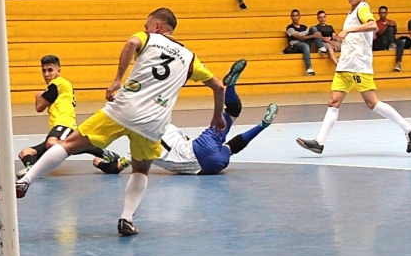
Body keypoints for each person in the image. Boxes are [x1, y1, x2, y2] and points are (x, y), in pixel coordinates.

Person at [0, 7, 226, 236]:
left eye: (147, 25)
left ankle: (25, 181)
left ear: (157, 26)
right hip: (154, 122)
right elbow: (219, 86)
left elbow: (131, 44)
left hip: (123, 109)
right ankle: (126, 219)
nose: (145, 28)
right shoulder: (190, 58)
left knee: (67, 145)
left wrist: (117, 79)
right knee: (141, 170)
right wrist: (217, 116)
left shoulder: (149, 38)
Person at [296, 0, 411, 155]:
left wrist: (348, 31)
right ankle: (319, 142)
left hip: (358, 65)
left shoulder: (363, 8)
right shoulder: (351, 13)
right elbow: (352, 41)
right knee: (333, 102)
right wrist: (335, 42)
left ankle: (409, 129)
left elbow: (372, 26)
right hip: (345, 65)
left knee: (372, 103)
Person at [94, 59, 278, 176]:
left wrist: (102, 164)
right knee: (234, 109)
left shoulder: (139, 149)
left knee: (229, 148)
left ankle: (263, 125)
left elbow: (116, 167)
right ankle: (232, 89)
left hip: (209, 165)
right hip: (199, 147)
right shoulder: (163, 122)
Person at [16, 55, 123, 179]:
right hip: (56, 129)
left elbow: (39, 107)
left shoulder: (59, 83)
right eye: (44, 71)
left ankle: (99, 151)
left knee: (52, 143)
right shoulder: (55, 87)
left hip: (64, 125)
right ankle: (32, 170)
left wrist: (38, 95)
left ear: (58, 71)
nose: (46, 74)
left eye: (50, 70)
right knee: (25, 153)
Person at [284, 9, 328, 76]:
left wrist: (317, 35)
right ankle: (309, 68)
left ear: (299, 16)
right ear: (291, 17)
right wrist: (313, 35)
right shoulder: (289, 28)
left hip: (305, 42)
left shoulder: (304, 27)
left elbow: (311, 34)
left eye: (297, 15)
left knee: (313, 28)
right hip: (296, 45)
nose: (295, 17)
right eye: (293, 16)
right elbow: (300, 37)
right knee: (305, 45)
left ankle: (321, 47)